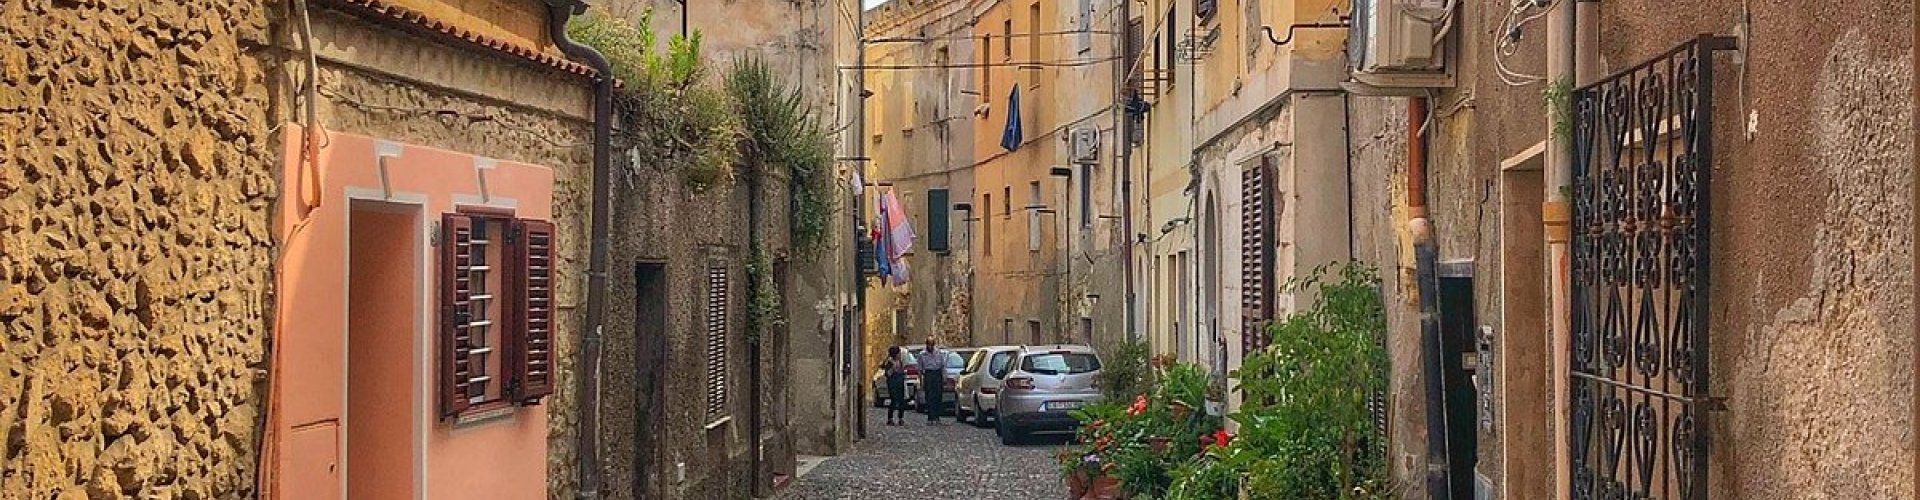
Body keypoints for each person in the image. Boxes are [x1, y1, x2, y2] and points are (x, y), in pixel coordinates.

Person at [917, 336, 947, 424]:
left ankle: (937, 417)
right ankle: (930, 417)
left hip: (937, 374)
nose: (930, 347)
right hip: (928, 374)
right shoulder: (922, 354)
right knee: (929, 397)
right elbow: (920, 369)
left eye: (932, 345)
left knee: (938, 396)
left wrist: (944, 377)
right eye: (928, 345)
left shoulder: (939, 353)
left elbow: (942, 366)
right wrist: (921, 381)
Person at [881, 346, 909, 426]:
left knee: (901, 401)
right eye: (898, 353)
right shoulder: (890, 362)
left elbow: (902, 370)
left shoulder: (900, 361)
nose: (900, 354)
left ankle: (901, 418)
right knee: (893, 400)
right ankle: (890, 418)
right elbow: (888, 374)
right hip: (893, 383)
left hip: (900, 382)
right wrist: (893, 369)